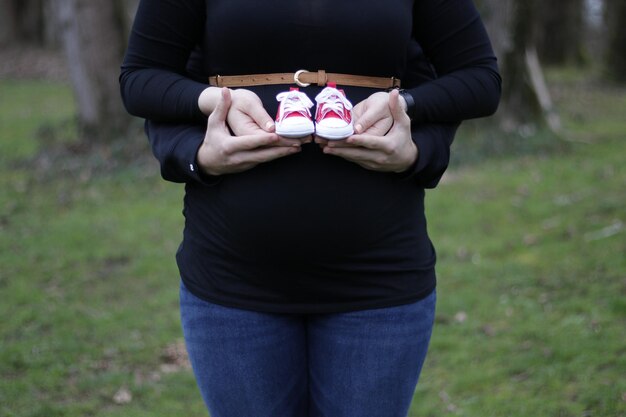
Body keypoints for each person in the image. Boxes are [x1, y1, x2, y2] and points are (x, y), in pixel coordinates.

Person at [120, 1, 501, 416]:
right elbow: (142, 78)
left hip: (380, 281)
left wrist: (415, 140)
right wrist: (196, 150)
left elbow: (477, 79)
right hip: (231, 281)